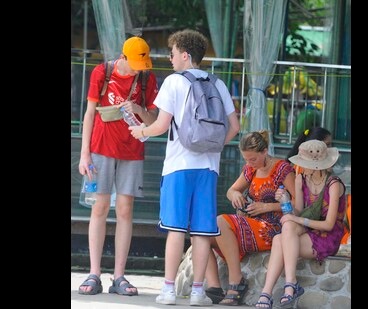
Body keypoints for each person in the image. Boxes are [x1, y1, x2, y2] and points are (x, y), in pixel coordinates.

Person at [128, 29, 240, 306]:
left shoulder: (174, 82)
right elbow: (235, 127)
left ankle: (168, 290)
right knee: (202, 231)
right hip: (208, 168)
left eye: (173, 53)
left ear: (185, 55)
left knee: (176, 228)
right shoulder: (218, 83)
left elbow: (161, 125)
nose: (170, 58)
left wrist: (141, 132)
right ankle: (198, 293)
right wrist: (213, 147)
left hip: (179, 165)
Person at [77, 36, 159, 296]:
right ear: (123, 58)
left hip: (132, 149)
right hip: (100, 147)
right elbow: (89, 113)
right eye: (135, 63)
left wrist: (137, 107)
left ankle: (120, 276)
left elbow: (153, 118)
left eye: (141, 64)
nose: (138, 68)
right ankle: (94, 273)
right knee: (99, 207)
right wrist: (84, 154)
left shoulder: (147, 78)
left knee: (125, 210)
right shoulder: (103, 71)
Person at [204, 130, 296, 306]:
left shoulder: (282, 169)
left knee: (221, 221)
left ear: (265, 151)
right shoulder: (250, 169)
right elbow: (231, 190)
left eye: (252, 159)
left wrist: (267, 206)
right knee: (202, 233)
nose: (249, 163)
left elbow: (298, 204)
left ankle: (236, 281)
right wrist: (235, 196)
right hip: (252, 222)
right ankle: (215, 287)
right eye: (246, 159)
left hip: (273, 226)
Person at [255, 140, 346, 308]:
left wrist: (295, 219)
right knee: (283, 232)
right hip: (306, 231)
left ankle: (276, 290)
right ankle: (275, 289)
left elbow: (328, 225)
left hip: (327, 237)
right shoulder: (300, 179)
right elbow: (296, 212)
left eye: (303, 163)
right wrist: (285, 201)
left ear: (317, 166)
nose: (300, 167)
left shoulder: (334, 184)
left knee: (281, 238)